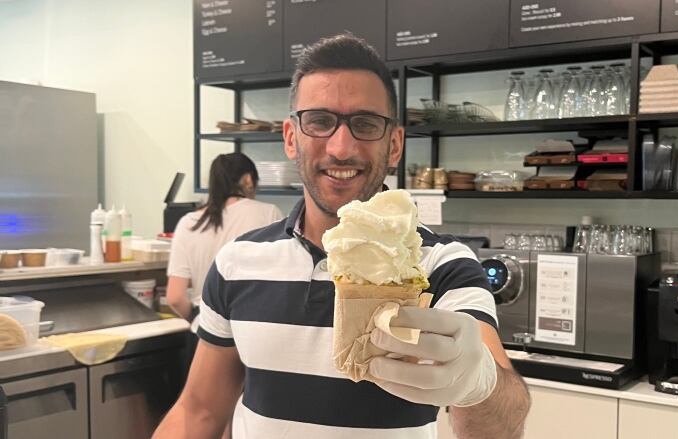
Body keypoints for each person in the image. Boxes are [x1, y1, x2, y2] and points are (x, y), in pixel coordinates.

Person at [153, 34, 530, 439]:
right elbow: (199, 413)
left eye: (365, 124)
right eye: (319, 121)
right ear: (291, 137)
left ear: (396, 143)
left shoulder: (442, 263)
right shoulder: (236, 262)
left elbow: (503, 423)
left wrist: (480, 385)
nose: (341, 147)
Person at [166, 151, 283, 339]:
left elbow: (175, 297)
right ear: (248, 180)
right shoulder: (268, 214)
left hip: (203, 331)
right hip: (251, 329)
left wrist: (198, 318)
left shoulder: (188, 222)